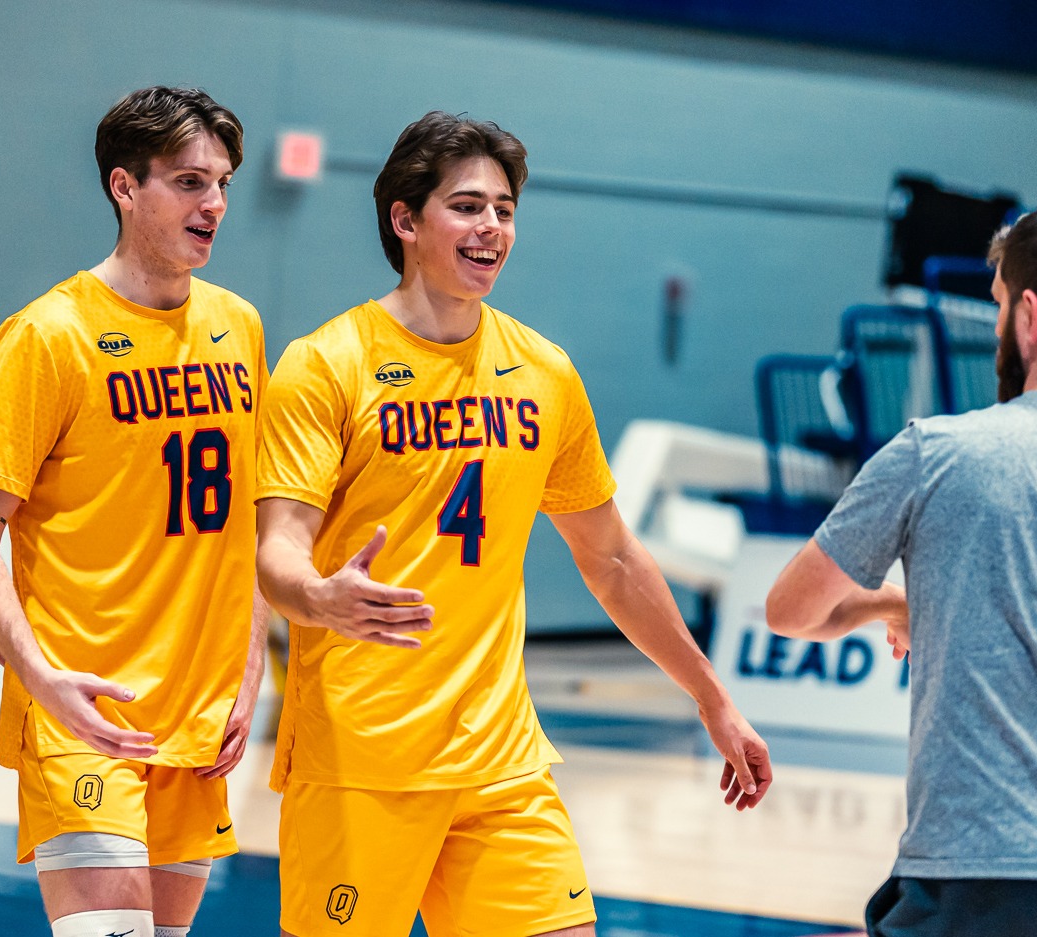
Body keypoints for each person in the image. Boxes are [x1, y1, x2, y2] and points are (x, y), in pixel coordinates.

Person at [254, 111, 772, 937]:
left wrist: (712, 696)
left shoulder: (543, 372)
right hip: (361, 760)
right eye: (466, 205)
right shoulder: (327, 365)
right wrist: (318, 597)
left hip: (501, 760)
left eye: (504, 208)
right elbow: (276, 544)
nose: (491, 225)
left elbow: (611, 558)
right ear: (405, 220)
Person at [766, 202, 1037, 936]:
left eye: (998, 305)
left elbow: (790, 610)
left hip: (971, 882)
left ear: (1029, 315)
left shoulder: (932, 454)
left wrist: (886, 605)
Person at [0, 86, 268, 937]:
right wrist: (39, 677)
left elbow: (255, 521)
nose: (216, 204)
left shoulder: (240, 327)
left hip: (199, 713)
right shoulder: (47, 334)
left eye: (223, 183)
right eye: (191, 183)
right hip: (84, 704)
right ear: (125, 187)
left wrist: (251, 666)